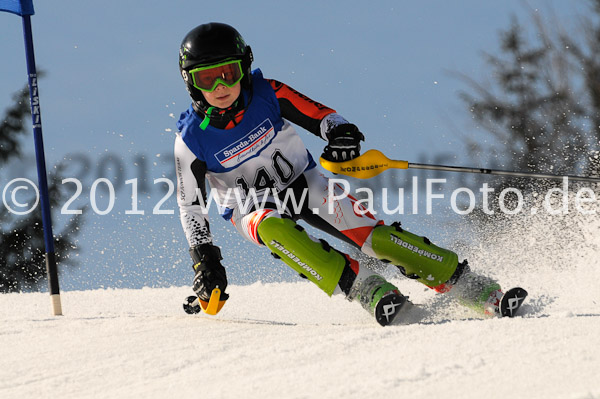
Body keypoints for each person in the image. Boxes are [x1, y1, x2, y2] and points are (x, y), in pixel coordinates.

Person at [174, 22, 516, 326]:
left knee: (374, 238)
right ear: (191, 83)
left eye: (229, 73)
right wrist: (205, 261)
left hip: (302, 182)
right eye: (207, 77)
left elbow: (323, 116)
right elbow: (190, 206)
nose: (221, 86)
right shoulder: (191, 139)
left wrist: (341, 135)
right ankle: (367, 288)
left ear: (244, 68)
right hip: (249, 205)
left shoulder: (267, 93)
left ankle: (470, 286)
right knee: (274, 228)